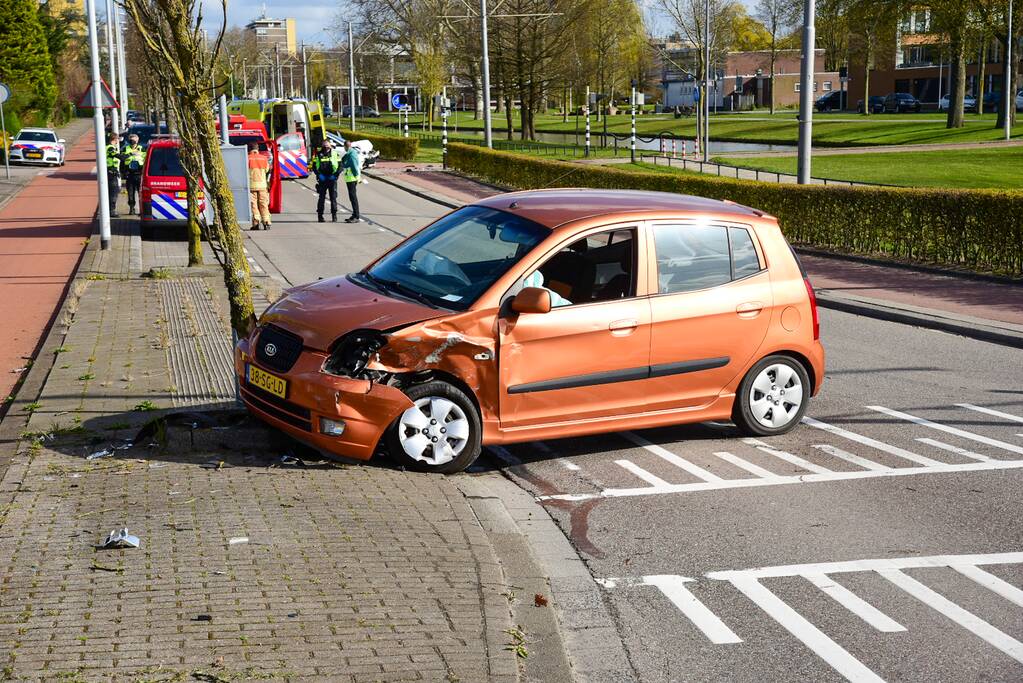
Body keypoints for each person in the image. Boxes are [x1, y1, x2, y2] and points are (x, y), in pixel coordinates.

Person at [311, 140, 340, 222]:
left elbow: (340, 166)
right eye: (324, 145)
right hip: (322, 179)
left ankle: (334, 216)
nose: (326, 147)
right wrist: (318, 175)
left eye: (327, 145)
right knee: (321, 198)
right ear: (322, 146)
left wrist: (335, 175)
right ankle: (320, 216)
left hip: (332, 179)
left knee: (333, 198)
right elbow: (314, 166)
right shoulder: (318, 154)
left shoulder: (335, 154)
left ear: (330, 146)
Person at [247, 142, 272, 230]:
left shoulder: (247, 158)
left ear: (249, 149)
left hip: (251, 185)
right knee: (263, 203)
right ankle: (266, 222)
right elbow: (267, 170)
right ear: (258, 149)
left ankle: (256, 222)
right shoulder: (264, 158)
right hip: (262, 185)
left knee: (253, 204)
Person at [121, 133, 146, 215]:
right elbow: (121, 159)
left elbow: (146, 159)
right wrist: (123, 173)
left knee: (140, 193)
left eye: (134, 140)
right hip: (130, 173)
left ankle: (141, 210)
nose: (133, 142)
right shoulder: (125, 149)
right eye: (131, 140)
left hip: (139, 173)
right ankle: (132, 209)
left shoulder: (142, 148)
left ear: (138, 140)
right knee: (130, 193)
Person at [341, 140, 361, 223]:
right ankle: (354, 214)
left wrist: (357, 177)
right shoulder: (350, 153)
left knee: (353, 197)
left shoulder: (352, 154)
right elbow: (343, 160)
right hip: (350, 178)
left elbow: (354, 166)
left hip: (352, 178)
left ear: (346, 146)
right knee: (352, 197)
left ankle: (356, 216)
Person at [104, 132, 122, 217]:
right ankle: (111, 211)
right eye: (118, 138)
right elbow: (118, 156)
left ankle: (109, 210)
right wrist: (129, 155)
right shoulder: (110, 148)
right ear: (114, 139)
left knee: (112, 192)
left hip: (111, 172)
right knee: (113, 192)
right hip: (111, 173)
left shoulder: (109, 147)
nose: (118, 140)